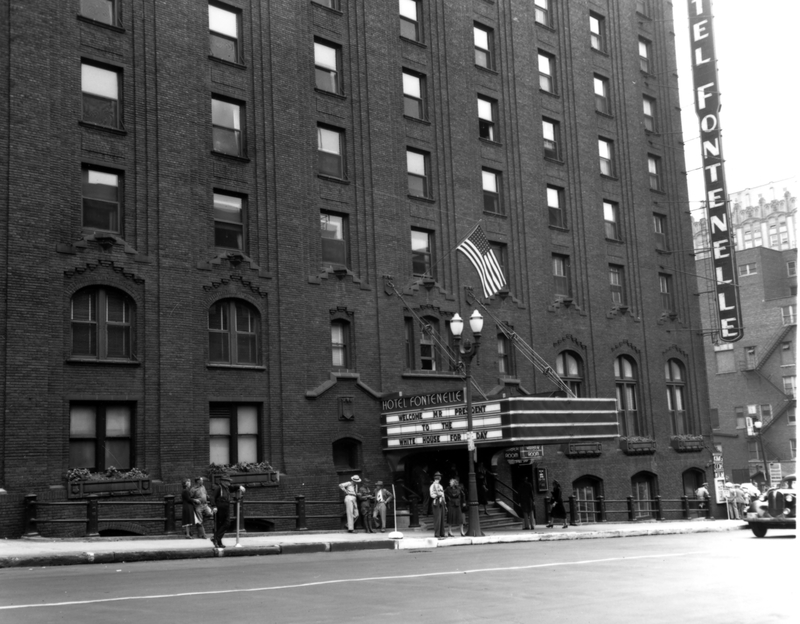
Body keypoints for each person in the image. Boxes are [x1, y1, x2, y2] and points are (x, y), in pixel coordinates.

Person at [210, 474, 244, 548]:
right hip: (219, 509)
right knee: (219, 525)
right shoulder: (218, 488)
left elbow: (234, 487)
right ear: (223, 481)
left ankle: (215, 538)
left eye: (229, 481)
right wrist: (214, 506)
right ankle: (219, 542)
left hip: (226, 508)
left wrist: (239, 486)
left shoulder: (227, 488)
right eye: (227, 481)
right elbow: (212, 497)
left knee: (227, 523)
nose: (229, 483)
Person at [429, 471, 447, 538]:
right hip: (436, 501)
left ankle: (442, 533)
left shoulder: (440, 486)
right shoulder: (432, 486)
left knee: (442, 518)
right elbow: (432, 495)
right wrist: (437, 496)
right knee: (438, 518)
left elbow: (443, 495)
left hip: (441, 501)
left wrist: (444, 503)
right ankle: (437, 534)